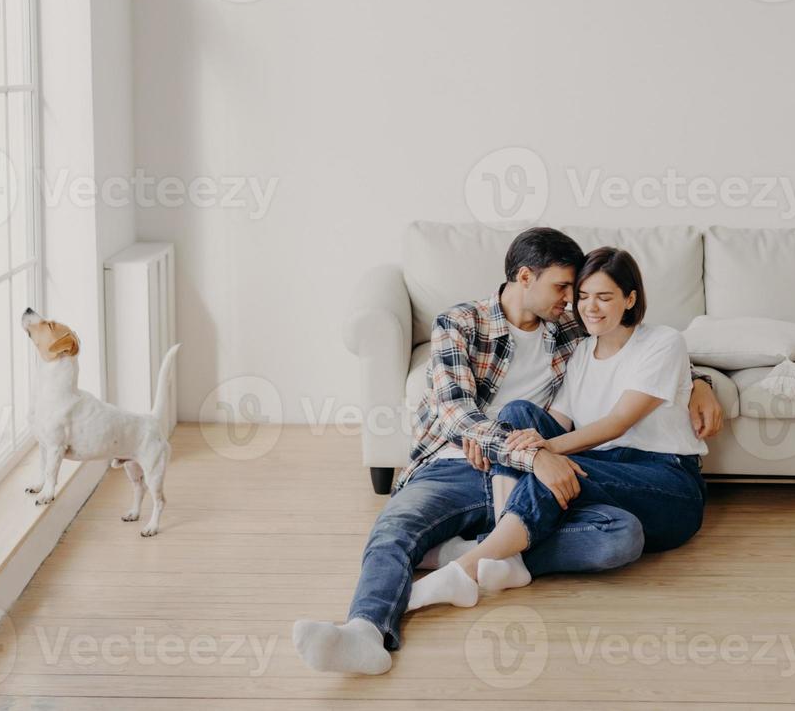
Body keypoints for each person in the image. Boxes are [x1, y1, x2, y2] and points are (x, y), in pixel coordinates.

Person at [292, 228, 723, 675]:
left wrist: (698, 384)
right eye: (563, 289)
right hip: (464, 464)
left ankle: (472, 554)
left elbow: (641, 349)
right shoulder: (459, 324)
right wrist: (532, 456)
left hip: (535, 471)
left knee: (619, 536)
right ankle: (364, 632)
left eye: (577, 292)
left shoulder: (572, 327)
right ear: (523, 277)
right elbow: (457, 414)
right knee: (394, 529)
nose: (573, 301)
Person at [404, 246, 707, 611]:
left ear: (630, 299)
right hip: (599, 468)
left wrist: (539, 452)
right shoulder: (581, 352)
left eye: (604, 297)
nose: (589, 307)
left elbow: (617, 423)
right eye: (582, 296)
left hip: (664, 479)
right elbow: (558, 422)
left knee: (541, 456)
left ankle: (465, 567)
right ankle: (507, 556)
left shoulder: (663, 342)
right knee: (518, 415)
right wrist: (530, 448)